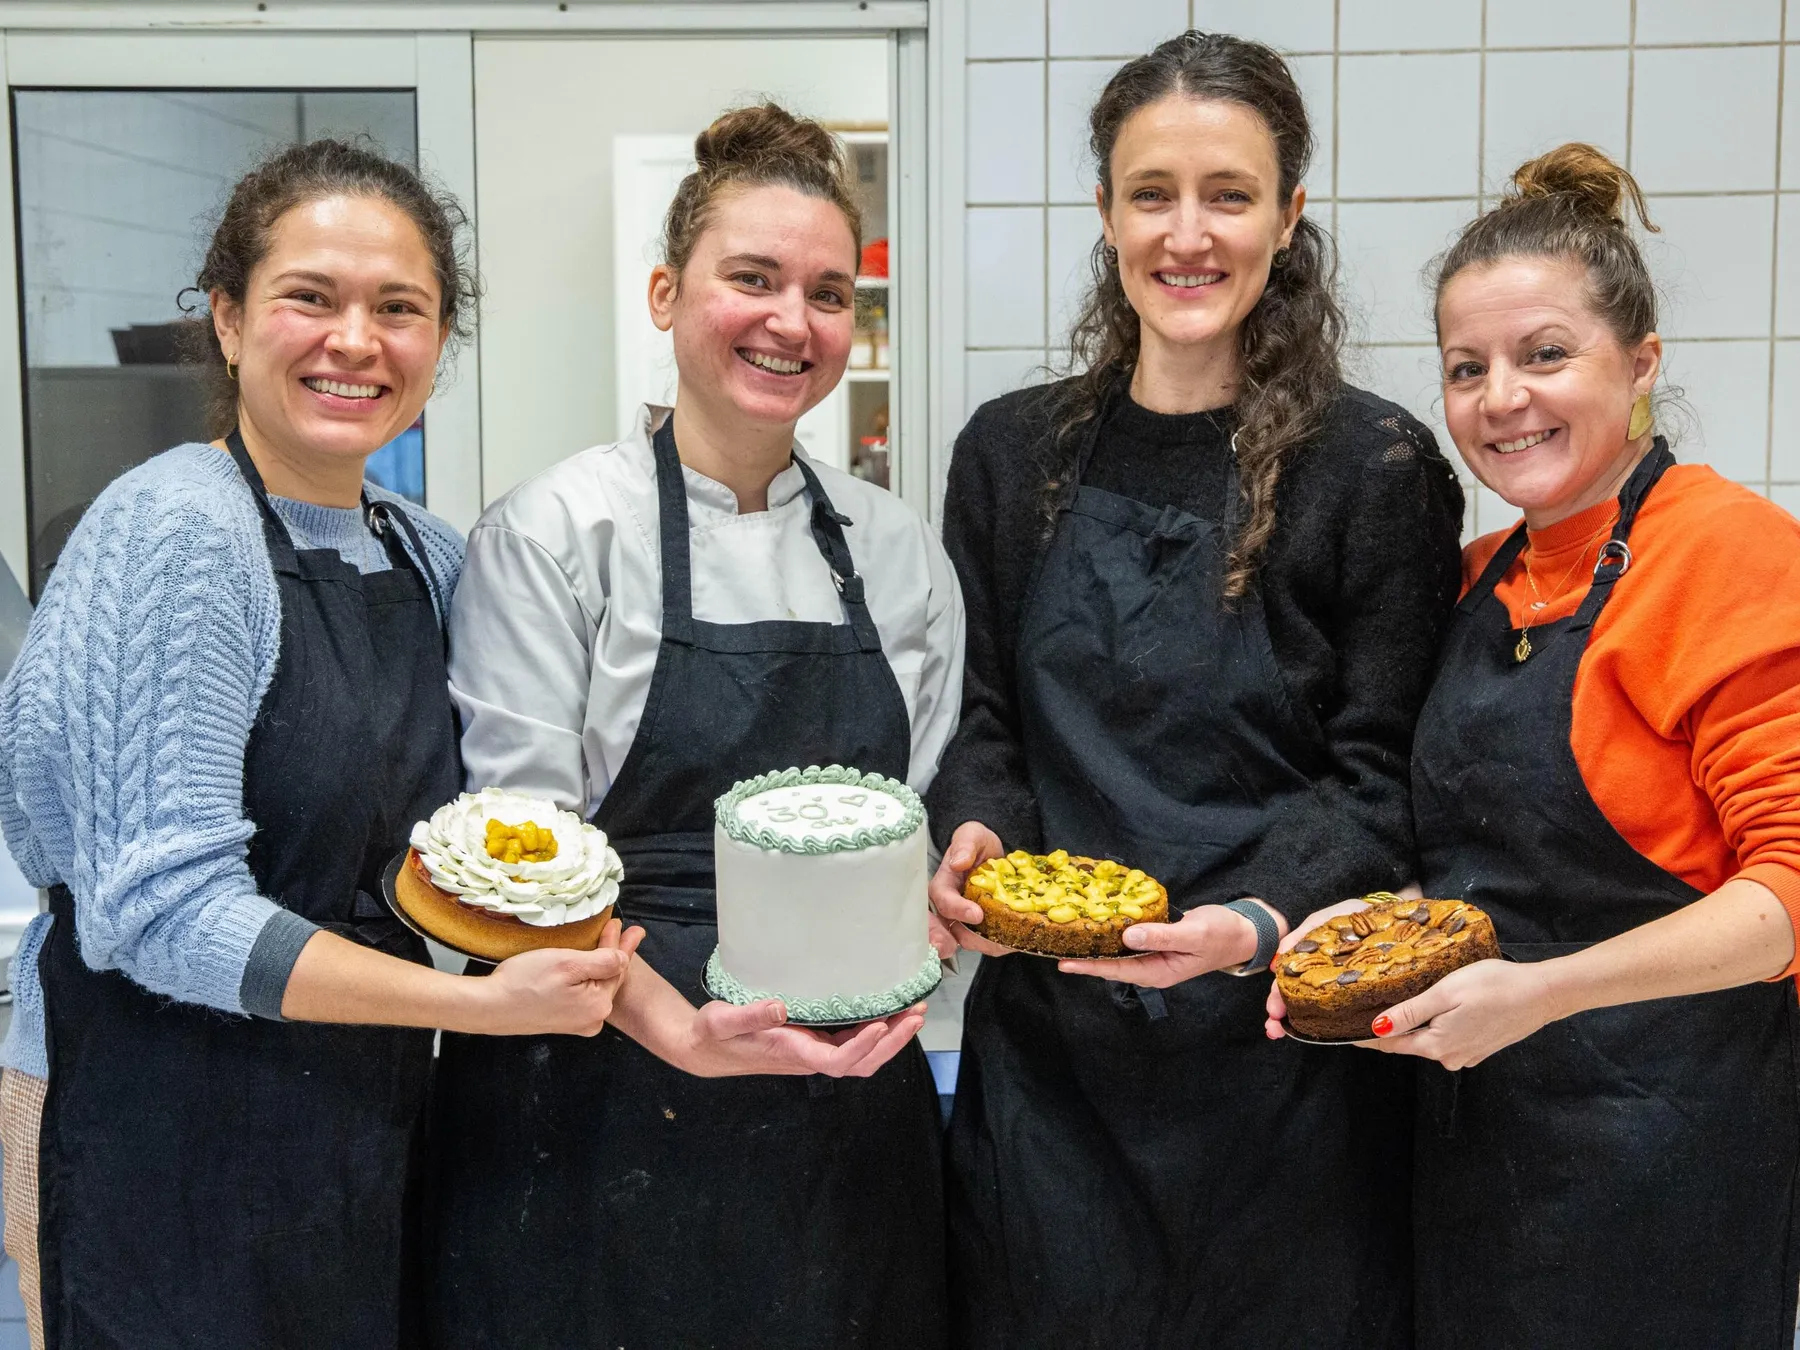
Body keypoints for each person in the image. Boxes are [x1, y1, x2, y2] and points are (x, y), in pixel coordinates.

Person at [0, 138, 769, 1349]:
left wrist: (674, 1019)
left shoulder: (423, 551)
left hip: (355, 1117)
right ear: (228, 316)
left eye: (397, 309)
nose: (354, 341)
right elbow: (157, 914)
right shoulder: (175, 530)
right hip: (157, 1121)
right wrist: (469, 1010)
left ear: (438, 342)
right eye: (310, 296)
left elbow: (498, 857)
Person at [924, 32, 1464, 1349]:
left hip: (1282, 1069)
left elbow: (1378, 775)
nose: (1188, 232)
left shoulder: (1374, 468)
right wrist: (975, 830)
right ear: (1104, 209)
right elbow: (987, 716)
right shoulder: (1012, 452)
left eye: (1228, 193)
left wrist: (1250, 916)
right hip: (1051, 1072)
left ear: (1288, 215)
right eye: (1150, 191)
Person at [426, 103, 964, 1350]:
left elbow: (918, 815)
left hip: (843, 1091)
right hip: (597, 1081)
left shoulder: (892, 551)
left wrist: (920, 946)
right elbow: (521, 860)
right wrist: (674, 1025)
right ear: (667, 293)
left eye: (829, 292)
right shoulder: (557, 532)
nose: (793, 321)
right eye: (753, 279)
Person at [1264, 143, 1800, 1348]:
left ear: (1641, 362)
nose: (1501, 397)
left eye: (1544, 355)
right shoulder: (1473, 584)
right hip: (1477, 1158)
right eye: (1468, 368)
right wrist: (1359, 936)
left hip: (1670, 1167)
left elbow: (1791, 893)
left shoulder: (1733, 556)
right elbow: (1460, 867)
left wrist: (1543, 994)